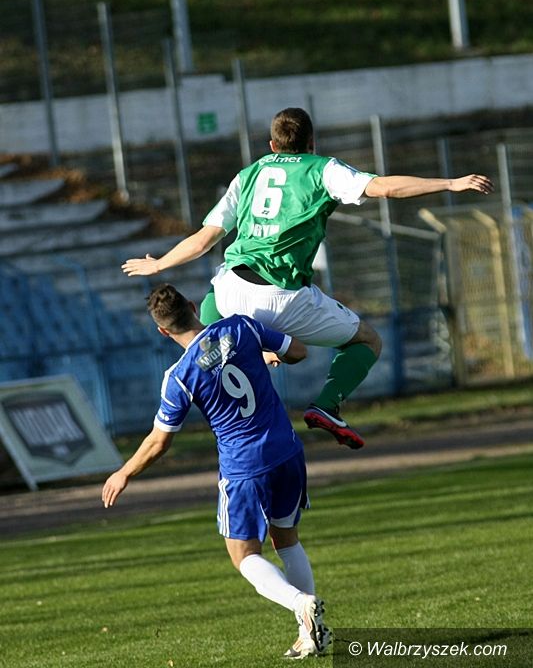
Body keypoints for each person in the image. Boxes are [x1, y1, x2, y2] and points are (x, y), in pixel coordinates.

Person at [122, 107, 494, 449]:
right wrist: (450, 183)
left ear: (272, 145)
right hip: (280, 297)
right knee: (367, 340)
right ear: (312, 142)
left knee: (215, 295)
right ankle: (327, 405)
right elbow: (384, 187)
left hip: (232, 288)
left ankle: (222, 361)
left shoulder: (248, 175)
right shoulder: (322, 169)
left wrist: (160, 264)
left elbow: (205, 240)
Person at [102, 283, 331, 660]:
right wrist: (266, 355)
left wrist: (123, 472)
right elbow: (299, 351)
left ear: (162, 331)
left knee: (244, 556)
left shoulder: (179, 377)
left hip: (244, 468)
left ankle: (300, 604)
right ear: (193, 307)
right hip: (286, 449)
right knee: (287, 539)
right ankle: (308, 634)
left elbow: (159, 442)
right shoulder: (242, 326)